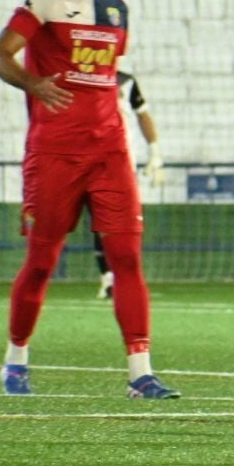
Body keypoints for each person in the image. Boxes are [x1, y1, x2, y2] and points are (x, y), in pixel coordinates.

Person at [0, 0, 180, 400]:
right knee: (42, 260)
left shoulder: (117, 7)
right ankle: (16, 360)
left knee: (127, 260)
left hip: (110, 152)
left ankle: (141, 372)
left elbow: (104, 80)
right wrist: (35, 83)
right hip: (55, 151)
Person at [93, 69, 164, 298]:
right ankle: (107, 277)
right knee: (96, 222)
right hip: (83, 160)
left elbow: (143, 114)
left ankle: (118, 278)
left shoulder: (126, 81)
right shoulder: (77, 75)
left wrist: (155, 152)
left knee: (120, 223)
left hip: (122, 164)